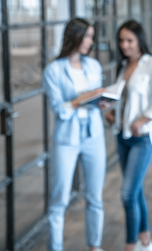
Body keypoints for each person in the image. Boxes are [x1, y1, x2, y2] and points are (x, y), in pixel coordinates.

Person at [43, 18, 106, 251]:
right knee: (59, 199)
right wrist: (81, 99)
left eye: (91, 36)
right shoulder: (53, 70)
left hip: (94, 135)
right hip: (66, 139)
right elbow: (60, 110)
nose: (90, 41)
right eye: (87, 36)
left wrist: (100, 102)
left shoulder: (94, 66)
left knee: (95, 197)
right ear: (75, 37)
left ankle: (94, 246)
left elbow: (92, 100)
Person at [105, 20, 152, 251]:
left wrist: (143, 119)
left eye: (129, 40)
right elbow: (124, 99)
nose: (124, 45)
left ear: (140, 40)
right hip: (122, 136)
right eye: (121, 40)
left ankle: (130, 245)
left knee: (127, 194)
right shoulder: (124, 67)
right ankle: (145, 236)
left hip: (142, 138)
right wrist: (112, 114)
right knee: (136, 188)